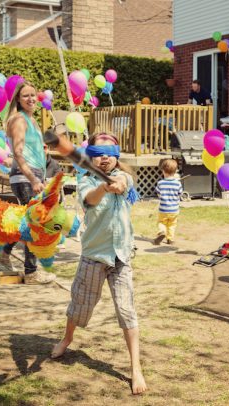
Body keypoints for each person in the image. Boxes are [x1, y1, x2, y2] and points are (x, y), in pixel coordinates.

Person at [50, 132, 147, 395]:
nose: (104, 158)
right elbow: (89, 201)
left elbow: (123, 184)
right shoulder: (86, 180)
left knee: (127, 310)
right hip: (94, 255)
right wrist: (103, 187)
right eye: (98, 153)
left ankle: (135, 367)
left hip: (121, 256)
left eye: (109, 153)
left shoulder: (124, 176)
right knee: (80, 305)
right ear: (90, 156)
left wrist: (115, 184)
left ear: (116, 156)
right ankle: (67, 338)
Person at [0, 81, 55, 285]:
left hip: (33, 175)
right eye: (26, 96)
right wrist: (33, 179)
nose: (31, 98)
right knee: (35, 224)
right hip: (25, 177)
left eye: (33, 95)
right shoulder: (19, 121)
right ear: (18, 99)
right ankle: (31, 272)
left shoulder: (32, 120)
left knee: (27, 221)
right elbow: (18, 153)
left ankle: (4, 252)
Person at [153, 158, 182, 245]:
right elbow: (180, 194)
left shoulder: (160, 183)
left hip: (163, 209)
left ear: (163, 171)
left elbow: (158, 194)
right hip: (174, 210)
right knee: (172, 224)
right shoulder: (178, 183)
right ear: (175, 171)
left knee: (161, 222)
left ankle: (162, 231)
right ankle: (170, 239)